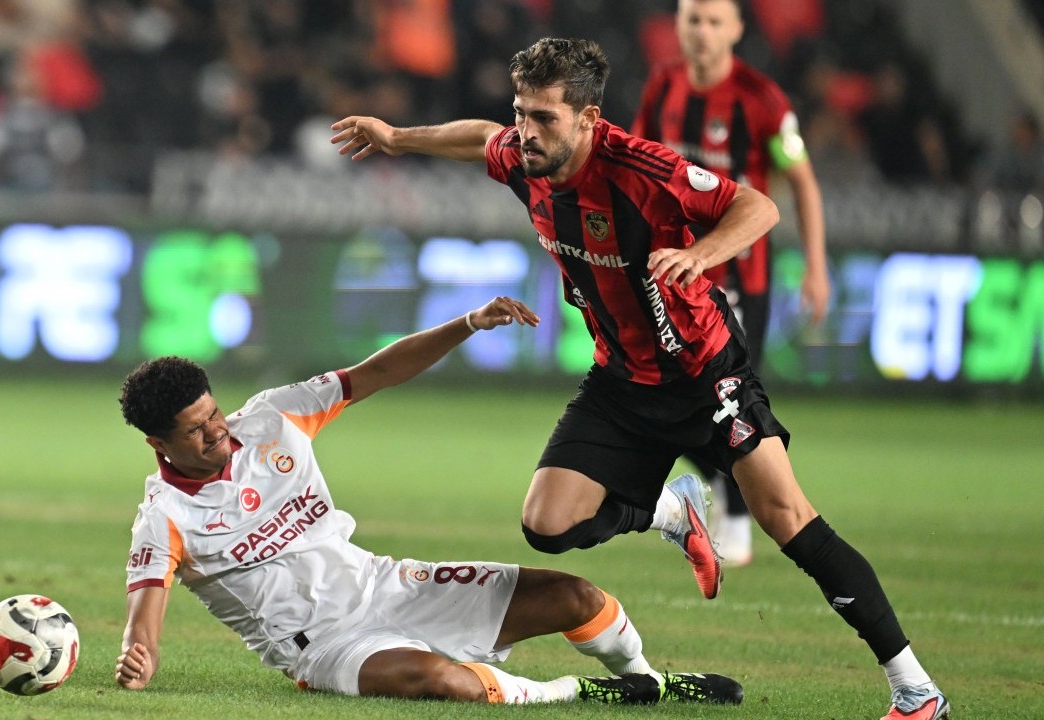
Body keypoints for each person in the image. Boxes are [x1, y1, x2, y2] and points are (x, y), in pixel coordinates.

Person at [330, 37, 948, 720]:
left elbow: (757, 208)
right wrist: (396, 137)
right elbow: (479, 138)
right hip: (621, 380)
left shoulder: (643, 170)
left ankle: (916, 688)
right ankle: (668, 511)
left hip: (704, 375)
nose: (526, 133)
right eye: (522, 113)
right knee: (546, 523)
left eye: (545, 119)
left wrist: (699, 253)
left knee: (788, 520)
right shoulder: (522, 158)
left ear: (590, 119)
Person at [114, 297, 743, 706]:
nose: (216, 431)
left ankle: (649, 681)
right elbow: (145, 618)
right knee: (441, 683)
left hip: (389, 585)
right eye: (195, 431)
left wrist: (466, 324)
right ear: (156, 442)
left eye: (214, 414)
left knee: (577, 598)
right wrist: (138, 656)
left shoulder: (275, 417)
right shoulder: (164, 517)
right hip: (328, 646)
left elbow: (377, 372)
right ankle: (581, 693)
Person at [630, 0, 830, 568]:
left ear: (738, 29)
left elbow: (802, 182)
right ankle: (719, 490)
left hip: (742, 278)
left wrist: (816, 264)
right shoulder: (662, 89)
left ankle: (736, 512)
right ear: (677, 25)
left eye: (715, 21)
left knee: (728, 398)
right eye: (693, 19)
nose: (702, 31)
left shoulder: (763, 101)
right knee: (657, 395)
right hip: (670, 274)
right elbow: (635, 167)